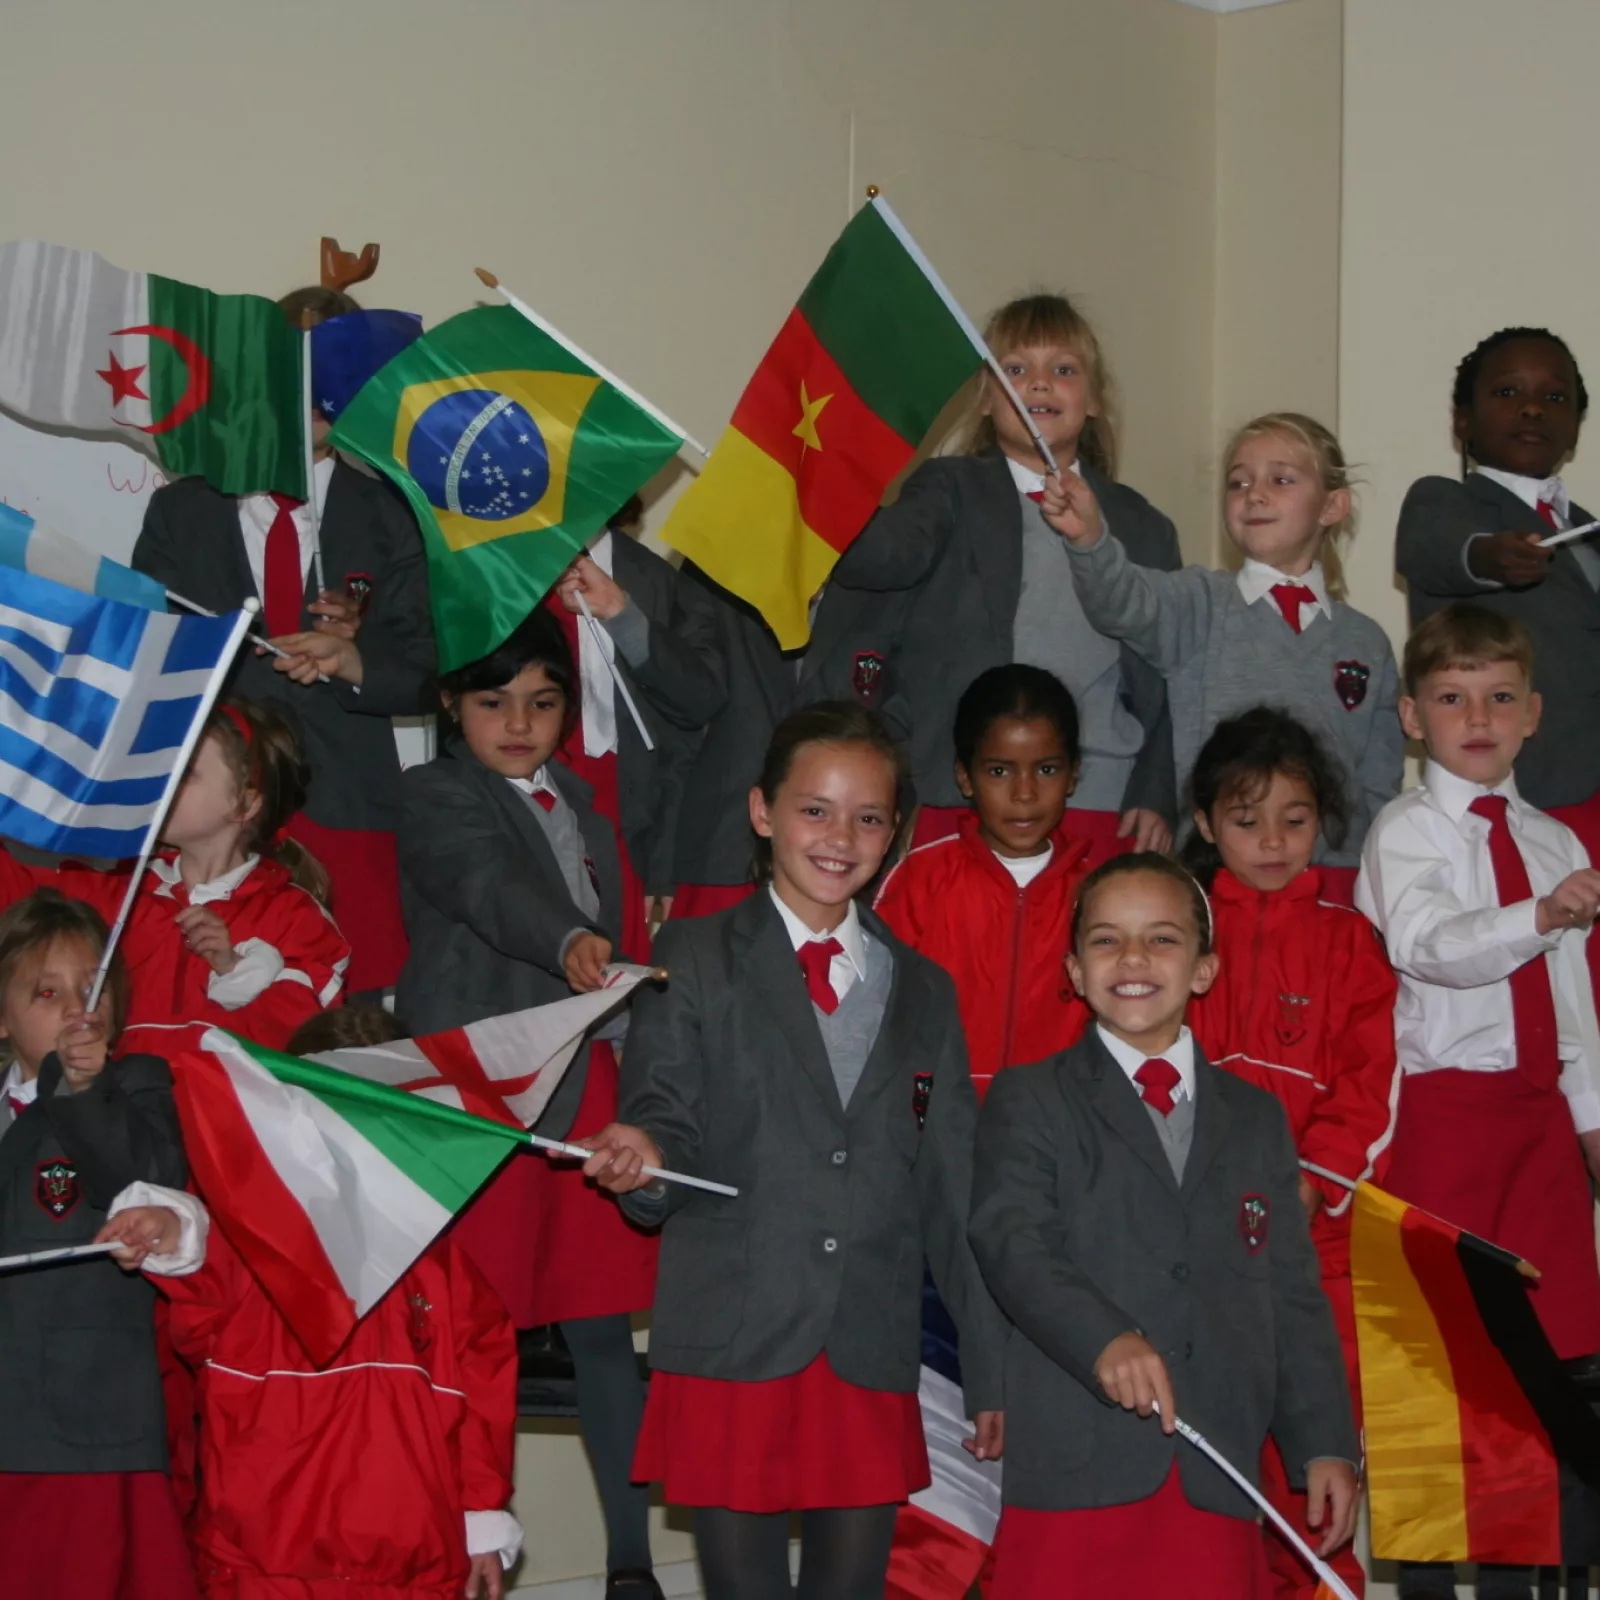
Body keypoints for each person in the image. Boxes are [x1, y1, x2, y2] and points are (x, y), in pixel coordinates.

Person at [580, 703, 1006, 1600]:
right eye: (815, 809)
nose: (840, 838)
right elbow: (663, 1119)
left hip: (868, 1344)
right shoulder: (692, 955)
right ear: (762, 811)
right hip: (735, 1335)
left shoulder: (926, 992)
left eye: (868, 817)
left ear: (896, 832)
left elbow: (955, 1191)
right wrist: (641, 1159)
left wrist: (990, 1370)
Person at [969, 853, 1359, 1598]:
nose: (1133, 958)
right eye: (1106, 940)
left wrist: (1324, 1445)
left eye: (1162, 938)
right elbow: (1012, 1242)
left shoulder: (1257, 1119)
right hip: (1077, 1465)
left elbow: (1292, 1295)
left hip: (1216, 1469)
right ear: (1075, 971)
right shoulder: (1029, 1098)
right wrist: (1103, 1338)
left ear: (1205, 970)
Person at [394, 608, 662, 1600]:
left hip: (585, 1080)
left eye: (543, 703)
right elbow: (486, 882)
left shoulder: (587, 803)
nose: (519, 723)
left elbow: (622, 937)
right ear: (450, 705)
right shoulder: (432, 794)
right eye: (493, 701)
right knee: (474, 1335)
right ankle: (463, 1555)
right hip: (484, 1091)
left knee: (601, 1331)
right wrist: (568, 941)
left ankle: (631, 1566)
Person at [1356, 604, 1600, 1600]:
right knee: (1439, 1368)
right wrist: (1537, 915)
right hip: (1444, 1123)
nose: (1480, 717)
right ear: (1412, 717)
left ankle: (1533, 1576)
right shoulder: (1403, 830)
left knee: (1551, 1362)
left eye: (1500, 697)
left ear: (1533, 713)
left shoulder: (1552, 841)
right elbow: (1430, 946)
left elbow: (1573, 1005)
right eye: (1452, 698)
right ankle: (1425, 1584)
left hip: (1540, 1129)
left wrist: (1591, 1125)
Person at [155, 1002, 521, 1600]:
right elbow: (195, 1324)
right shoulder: (245, 1233)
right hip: (264, 1559)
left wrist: (480, 1512)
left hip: (410, 1561)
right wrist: (176, 1238)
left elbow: (484, 1385)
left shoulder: (440, 1264)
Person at [132, 286, 436, 996]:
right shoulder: (182, 510)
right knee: (196, 1001)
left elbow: (430, 673)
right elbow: (145, 653)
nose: (315, 391)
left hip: (348, 804)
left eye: (338, 370)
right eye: (296, 368)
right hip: (210, 817)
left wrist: (355, 659)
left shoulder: (394, 517)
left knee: (350, 1011)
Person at [830, 292, 1181, 865]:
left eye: (1062, 370)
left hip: (1103, 801)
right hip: (961, 797)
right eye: (1015, 370)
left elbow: (1172, 679)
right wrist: (831, 469)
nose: (1038, 384)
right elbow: (881, 557)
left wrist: (1156, 791)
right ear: (985, 401)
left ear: (1093, 400)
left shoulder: (1143, 526)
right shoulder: (948, 491)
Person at [1183, 707, 1399, 1599]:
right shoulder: (1180, 931)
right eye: (1247, 820)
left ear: (1324, 821)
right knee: (1214, 1464)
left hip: (1318, 1253)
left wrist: (1311, 1181)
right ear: (1206, 824)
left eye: (1295, 819)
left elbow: (1369, 1085)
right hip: (1200, 1249)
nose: (1272, 841)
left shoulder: (1350, 939)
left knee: (1316, 1457)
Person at [1045, 411, 1403, 895]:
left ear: (1332, 505)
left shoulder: (1366, 641)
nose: (1254, 494)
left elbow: (1379, 782)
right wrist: (1089, 540)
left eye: (1280, 479)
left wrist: (1365, 876)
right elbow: (1124, 601)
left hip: (1330, 884)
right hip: (1218, 878)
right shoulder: (1200, 603)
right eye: (1239, 483)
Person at [0, 888, 206, 1600]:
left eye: (92, 990)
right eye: (47, 992)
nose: (73, 1010)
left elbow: (137, 1179)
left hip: (79, 1425)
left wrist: (81, 1086)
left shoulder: (137, 1088)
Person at [1395, 328, 1600, 983]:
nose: (1533, 408)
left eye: (1555, 397)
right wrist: (1489, 555)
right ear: (1462, 420)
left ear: (1576, 425)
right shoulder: (1445, 502)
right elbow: (1435, 548)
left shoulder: (1589, 529)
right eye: (1508, 392)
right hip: (1525, 801)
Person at [0, 698, 349, 1049]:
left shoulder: (295, 917)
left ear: (245, 803)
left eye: (185, 774)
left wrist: (237, 972)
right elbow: (14, 891)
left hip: (224, 1084)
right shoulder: (118, 892)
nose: (161, 786)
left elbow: (304, 1035)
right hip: (119, 1083)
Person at [874, 664, 1092, 1099]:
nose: (1025, 794)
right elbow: (876, 1006)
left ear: (1074, 774)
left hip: (1056, 1119)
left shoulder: (1099, 893)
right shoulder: (919, 880)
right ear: (964, 776)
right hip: (935, 1115)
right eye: (999, 771)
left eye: (1047, 770)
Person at [664, 563, 910, 919]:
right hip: (723, 850)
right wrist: (660, 862)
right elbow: (677, 729)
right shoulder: (714, 560)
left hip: (844, 872)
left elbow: (905, 727)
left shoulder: (891, 565)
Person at [549, 495, 724, 933]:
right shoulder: (497, 567)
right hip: (525, 810)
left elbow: (694, 712)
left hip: (625, 819)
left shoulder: (660, 579)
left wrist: (619, 610)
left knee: (618, 961)